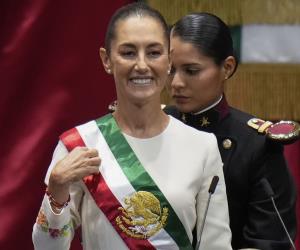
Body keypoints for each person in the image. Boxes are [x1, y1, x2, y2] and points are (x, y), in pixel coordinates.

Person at [32, 3, 232, 250]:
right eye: (128, 53)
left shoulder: (202, 146)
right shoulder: (78, 145)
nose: (141, 65)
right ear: (107, 60)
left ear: (169, 60)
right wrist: (57, 189)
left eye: (154, 52)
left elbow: (216, 245)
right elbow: (46, 247)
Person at [164, 12, 297, 250]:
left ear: (227, 67)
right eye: (171, 70)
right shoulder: (156, 126)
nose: (176, 83)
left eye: (191, 71)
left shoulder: (257, 144)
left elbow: (271, 241)